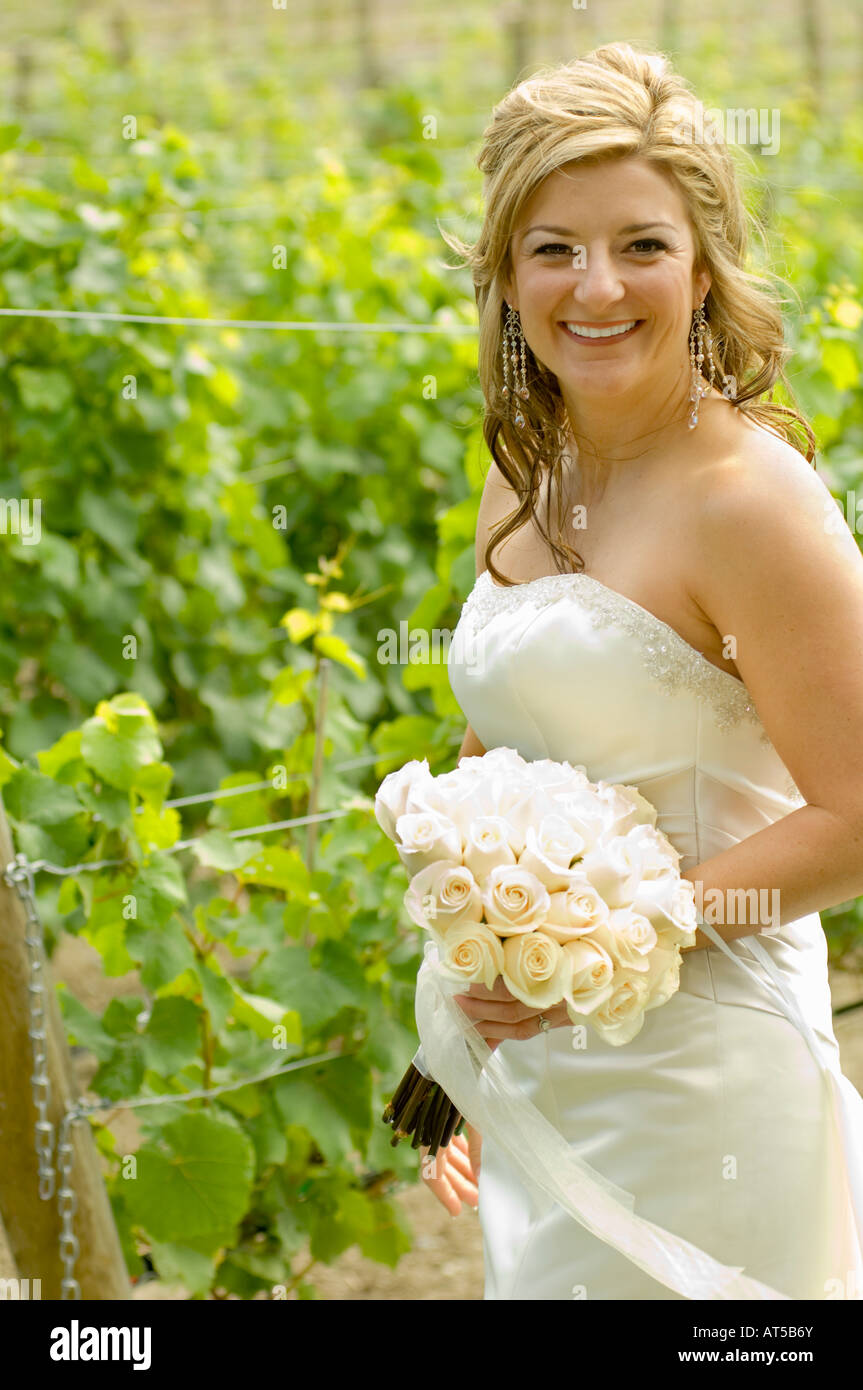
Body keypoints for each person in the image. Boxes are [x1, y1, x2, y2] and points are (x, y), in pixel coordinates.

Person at [418, 40, 863, 1299]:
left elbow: (856, 817)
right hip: (551, 1053)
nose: (594, 286)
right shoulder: (522, 472)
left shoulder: (750, 504)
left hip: (706, 1082)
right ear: (504, 272)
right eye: (552, 246)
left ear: (705, 265)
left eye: (642, 245)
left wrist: (618, 934)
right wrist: (488, 944)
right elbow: (506, 733)